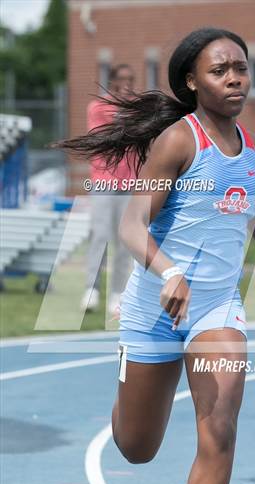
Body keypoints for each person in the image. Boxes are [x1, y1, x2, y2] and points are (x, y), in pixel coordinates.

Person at [55, 27, 255, 484]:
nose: (235, 77)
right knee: (135, 448)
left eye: (241, 67)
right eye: (220, 70)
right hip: (154, 307)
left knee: (219, 424)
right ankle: (128, 394)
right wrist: (170, 273)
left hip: (216, 308)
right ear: (192, 82)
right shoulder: (178, 141)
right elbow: (132, 226)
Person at [81, 63, 136, 315]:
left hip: (130, 183)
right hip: (104, 181)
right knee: (100, 235)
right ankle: (91, 289)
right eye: (121, 79)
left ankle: (118, 293)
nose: (126, 84)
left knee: (126, 241)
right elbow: (104, 137)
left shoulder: (137, 109)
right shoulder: (98, 107)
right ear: (112, 81)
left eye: (130, 80)